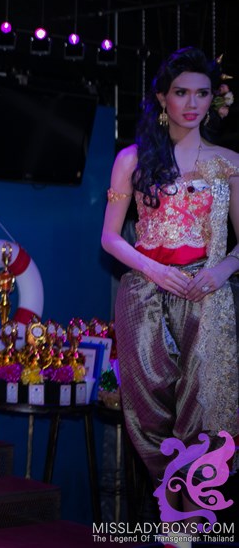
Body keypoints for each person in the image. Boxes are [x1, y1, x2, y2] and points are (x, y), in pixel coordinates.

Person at [101, 47, 239, 510]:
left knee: (205, 405)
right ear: (163, 98)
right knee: (148, 407)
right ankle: (175, 505)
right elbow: (110, 238)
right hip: (145, 291)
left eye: (202, 93)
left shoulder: (229, 163)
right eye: (181, 92)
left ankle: (190, 514)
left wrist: (221, 270)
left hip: (206, 294)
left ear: (214, 98)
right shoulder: (132, 159)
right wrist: (154, 269)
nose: (192, 103)